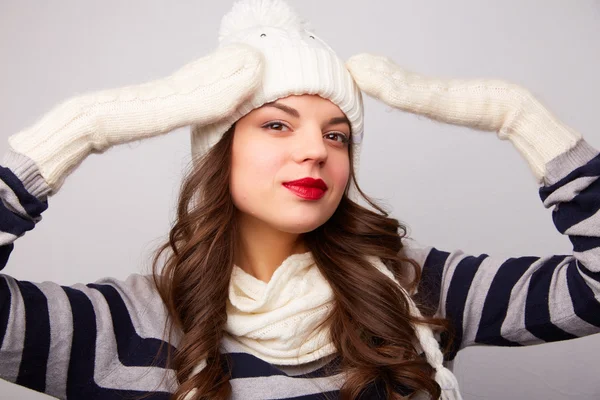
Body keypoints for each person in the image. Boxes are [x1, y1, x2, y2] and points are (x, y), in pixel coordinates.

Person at [1, 0, 599, 399]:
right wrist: (82, 127)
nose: (317, 150)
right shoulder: (125, 325)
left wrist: (519, 116)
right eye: (278, 125)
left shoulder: (416, 287)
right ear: (220, 149)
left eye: (337, 134)